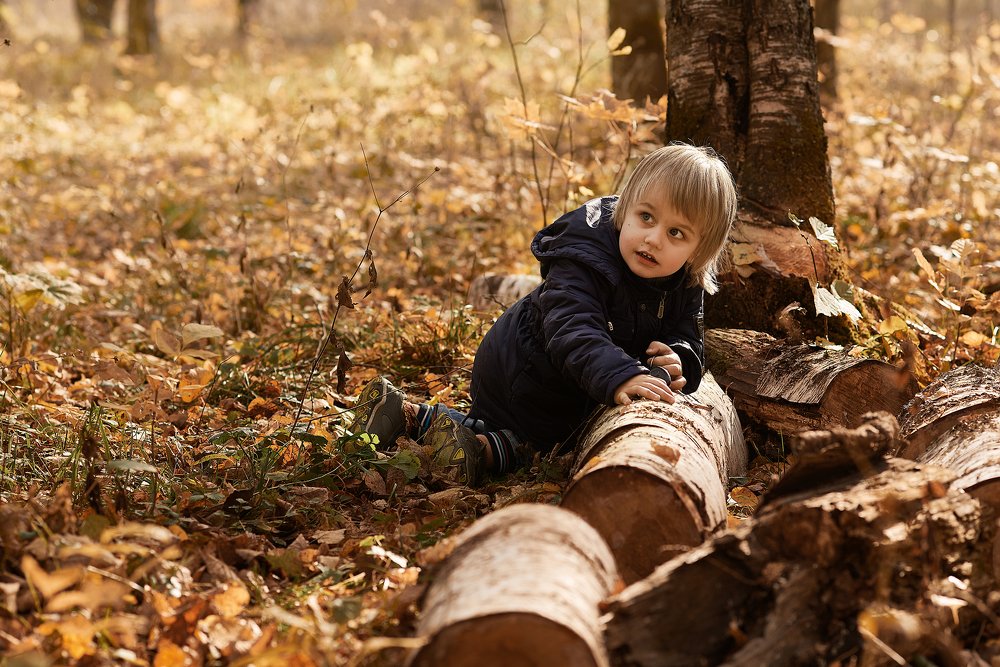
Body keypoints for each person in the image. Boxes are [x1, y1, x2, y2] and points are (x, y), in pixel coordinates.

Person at [349, 143, 738, 486]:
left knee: (525, 430)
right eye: (647, 218)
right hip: (526, 369)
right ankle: (475, 452)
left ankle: (408, 414)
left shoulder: (686, 281)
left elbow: (688, 335)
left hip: (574, 382)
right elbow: (572, 328)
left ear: (698, 251)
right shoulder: (585, 258)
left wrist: (678, 357)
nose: (653, 238)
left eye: (676, 234)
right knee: (537, 448)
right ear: (625, 208)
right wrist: (621, 374)